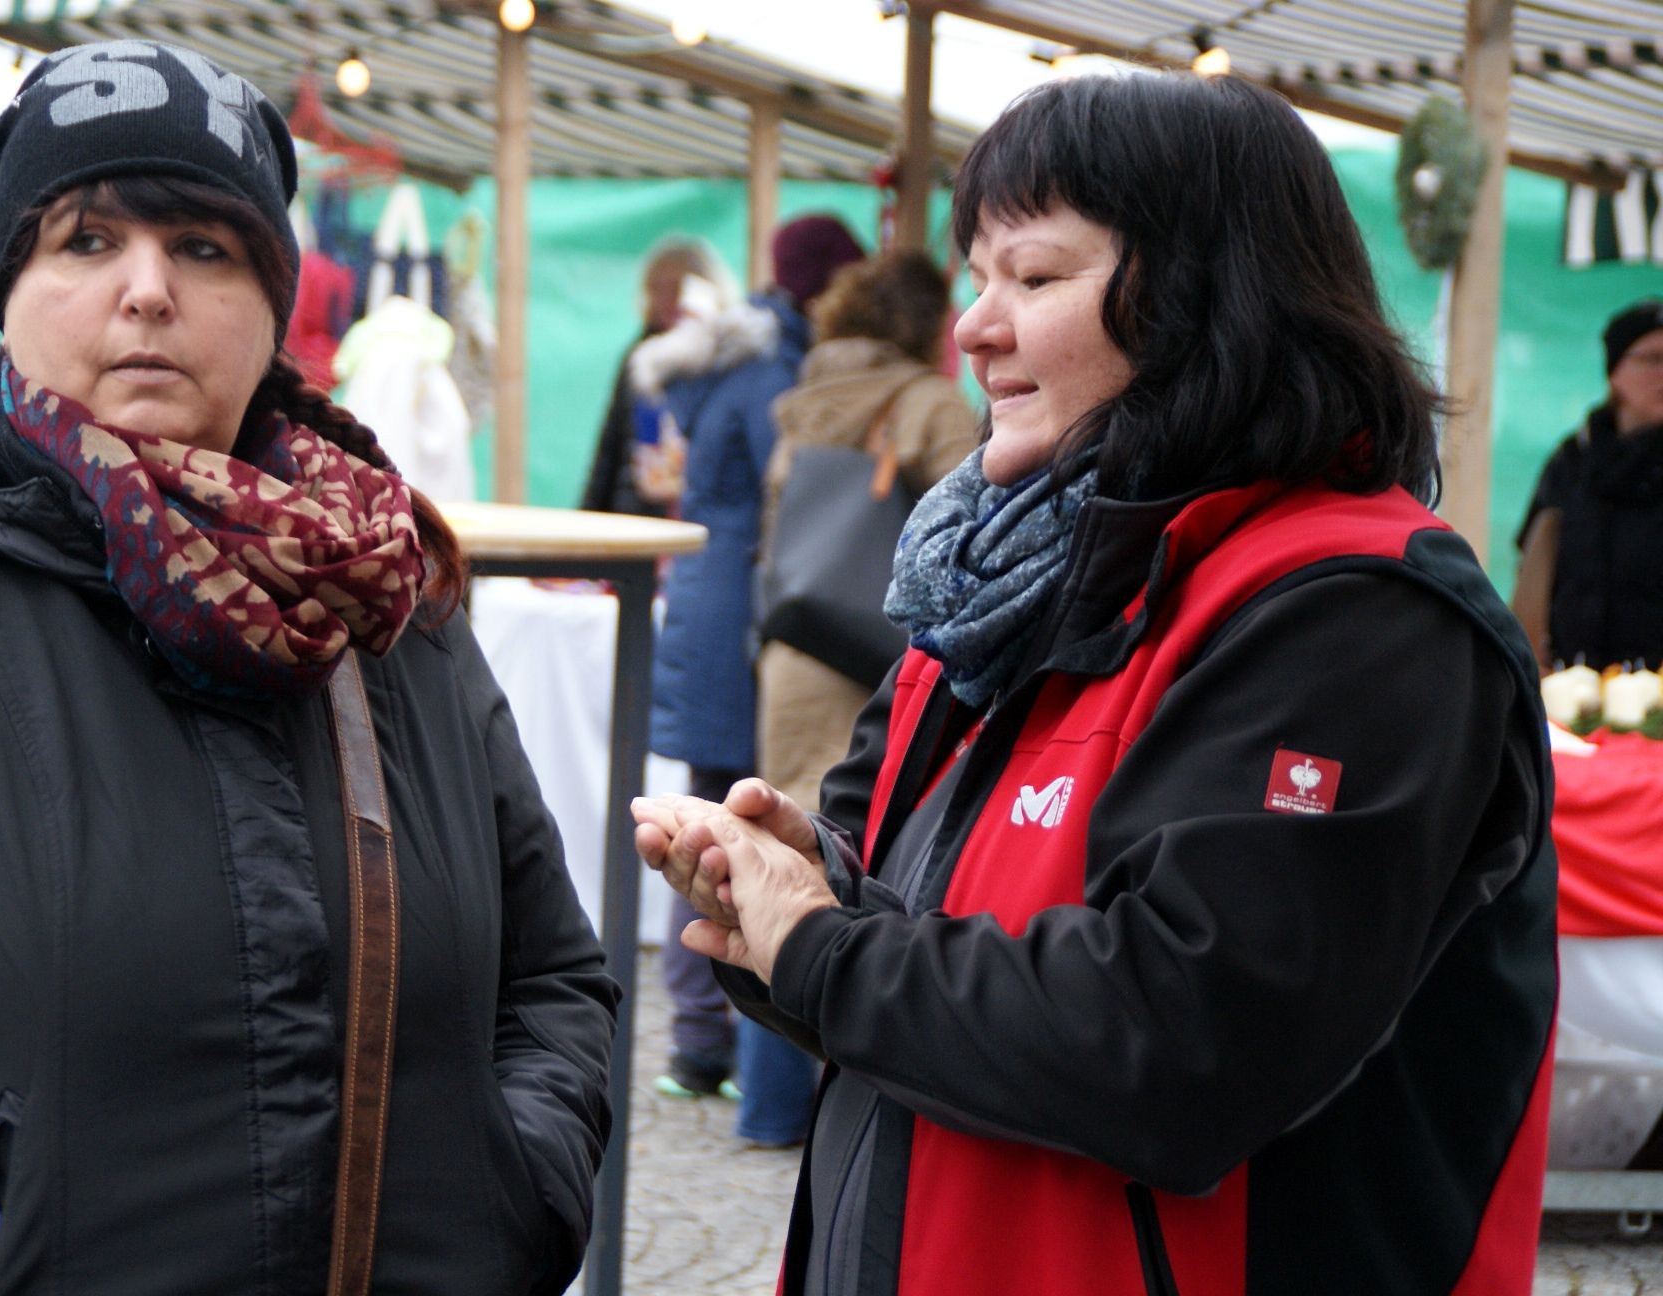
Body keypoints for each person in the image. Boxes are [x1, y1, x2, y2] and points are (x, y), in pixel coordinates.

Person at [636, 72, 1555, 1294]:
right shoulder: (991, 586)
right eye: (975, 276)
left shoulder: (1353, 616)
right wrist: (801, 883)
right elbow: (906, 955)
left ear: (1204, 297)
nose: (974, 327)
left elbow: (1185, 1042)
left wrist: (816, 946)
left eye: (1034, 276)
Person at [0, 42, 617, 1296]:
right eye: (87, 241)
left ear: (271, 302)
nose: (147, 290)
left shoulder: (383, 589)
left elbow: (554, 977)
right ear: (10, 287)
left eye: (204, 247)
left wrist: (515, 1198)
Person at [631, 214, 863, 1146]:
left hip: (704, 594)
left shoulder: (730, 357)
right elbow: (784, 494)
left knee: (703, 810)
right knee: (734, 820)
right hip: (740, 606)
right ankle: (710, 1038)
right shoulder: (776, 371)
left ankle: (699, 1039)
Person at [758, 249, 977, 812]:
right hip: (890, 661)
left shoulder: (808, 403)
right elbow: (977, 524)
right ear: (927, 323)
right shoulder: (931, 404)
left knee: (794, 825)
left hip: (796, 648)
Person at [1513, 299, 1663, 674]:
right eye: (1654, 359)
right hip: (1573, 684)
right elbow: (1533, 565)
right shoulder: (1574, 460)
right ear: (1615, 373)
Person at [578, 238, 724, 517]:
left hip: (690, 514)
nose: (666, 300)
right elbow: (610, 447)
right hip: (633, 512)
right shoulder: (638, 359)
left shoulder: (717, 362)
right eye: (657, 288)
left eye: (676, 288)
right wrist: (588, 515)